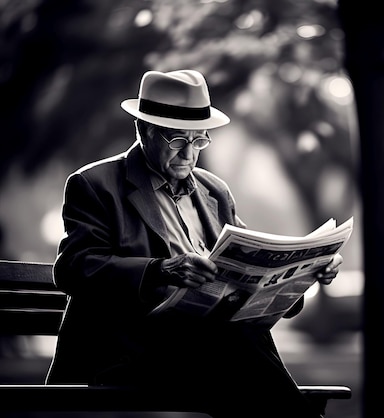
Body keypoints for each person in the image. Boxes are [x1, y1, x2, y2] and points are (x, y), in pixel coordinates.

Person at [45, 69, 344, 418]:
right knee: (241, 352)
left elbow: (249, 268)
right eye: (177, 140)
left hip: (208, 353)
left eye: (199, 140)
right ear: (143, 131)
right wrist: (161, 270)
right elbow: (73, 269)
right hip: (129, 354)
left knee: (240, 341)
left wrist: (303, 273)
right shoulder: (95, 185)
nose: (189, 154)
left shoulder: (214, 191)